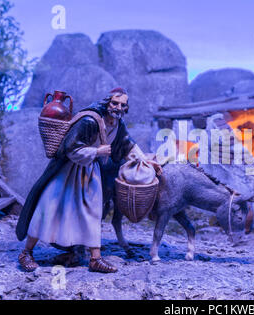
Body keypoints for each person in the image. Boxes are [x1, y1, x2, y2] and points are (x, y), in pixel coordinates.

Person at [16, 87, 161, 273]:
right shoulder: (89, 120)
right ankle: (26, 252)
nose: (118, 108)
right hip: (67, 171)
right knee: (49, 208)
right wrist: (96, 151)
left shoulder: (118, 124)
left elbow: (127, 145)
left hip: (90, 172)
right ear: (107, 102)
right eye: (115, 103)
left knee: (93, 212)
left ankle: (95, 258)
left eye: (122, 105)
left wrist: (146, 161)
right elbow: (70, 148)